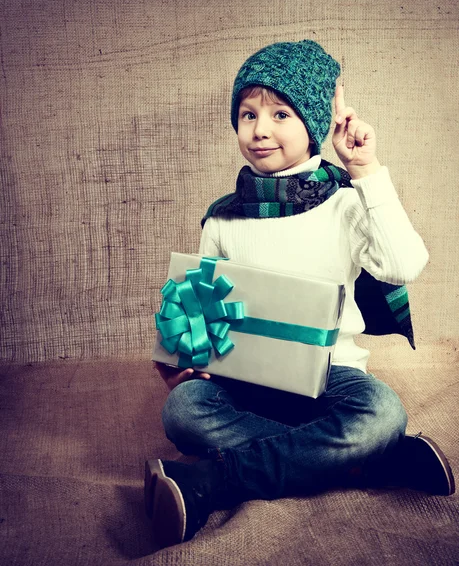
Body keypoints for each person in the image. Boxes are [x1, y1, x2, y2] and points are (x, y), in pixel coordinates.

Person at [145, 40, 455, 550]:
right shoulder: (223, 216)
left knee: (382, 412)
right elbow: (203, 309)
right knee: (183, 410)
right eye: (247, 114)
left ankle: (216, 482)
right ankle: (372, 460)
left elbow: (405, 266)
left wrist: (366, 171)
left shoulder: (347, 204)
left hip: (332, 377)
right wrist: (187, 357)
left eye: (280, 113)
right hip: (246, 383)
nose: (259, 129)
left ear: (312, 123)